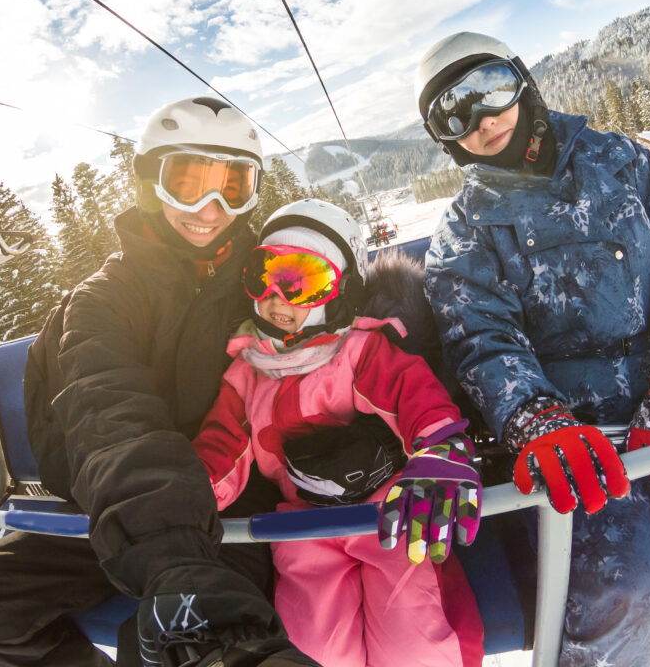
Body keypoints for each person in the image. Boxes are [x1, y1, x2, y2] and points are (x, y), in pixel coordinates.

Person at [0, 96, 320, 667]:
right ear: (149, 184)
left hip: (234, 509)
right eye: (188, 182)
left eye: (233, 187)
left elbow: (341, 332)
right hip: (122, 503)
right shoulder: (103, 300)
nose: (210, 208)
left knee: (170, 646)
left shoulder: (263, 281)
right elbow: (107, 414)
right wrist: (171, 558)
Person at [417, 31, 650, 666]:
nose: (483, 119)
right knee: (627, 590)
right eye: (454, 113)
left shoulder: (621, 163)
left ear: (523, 82)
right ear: (444, 138)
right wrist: (538, 422)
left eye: (491, 89)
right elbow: (481, 341)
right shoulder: (464, 232)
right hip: (575, 445)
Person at [192, 199, 485, 667]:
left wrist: (441, 451)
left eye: (299, 281)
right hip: (304, 528)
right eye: (261, 275)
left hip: (387, 516)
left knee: (417, 643)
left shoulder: (359, 352)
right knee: (314, 648)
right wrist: (185, 500)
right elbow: (221, 448)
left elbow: (415, 397)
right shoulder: (247, 374)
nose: (275, 294)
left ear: (341, 292)